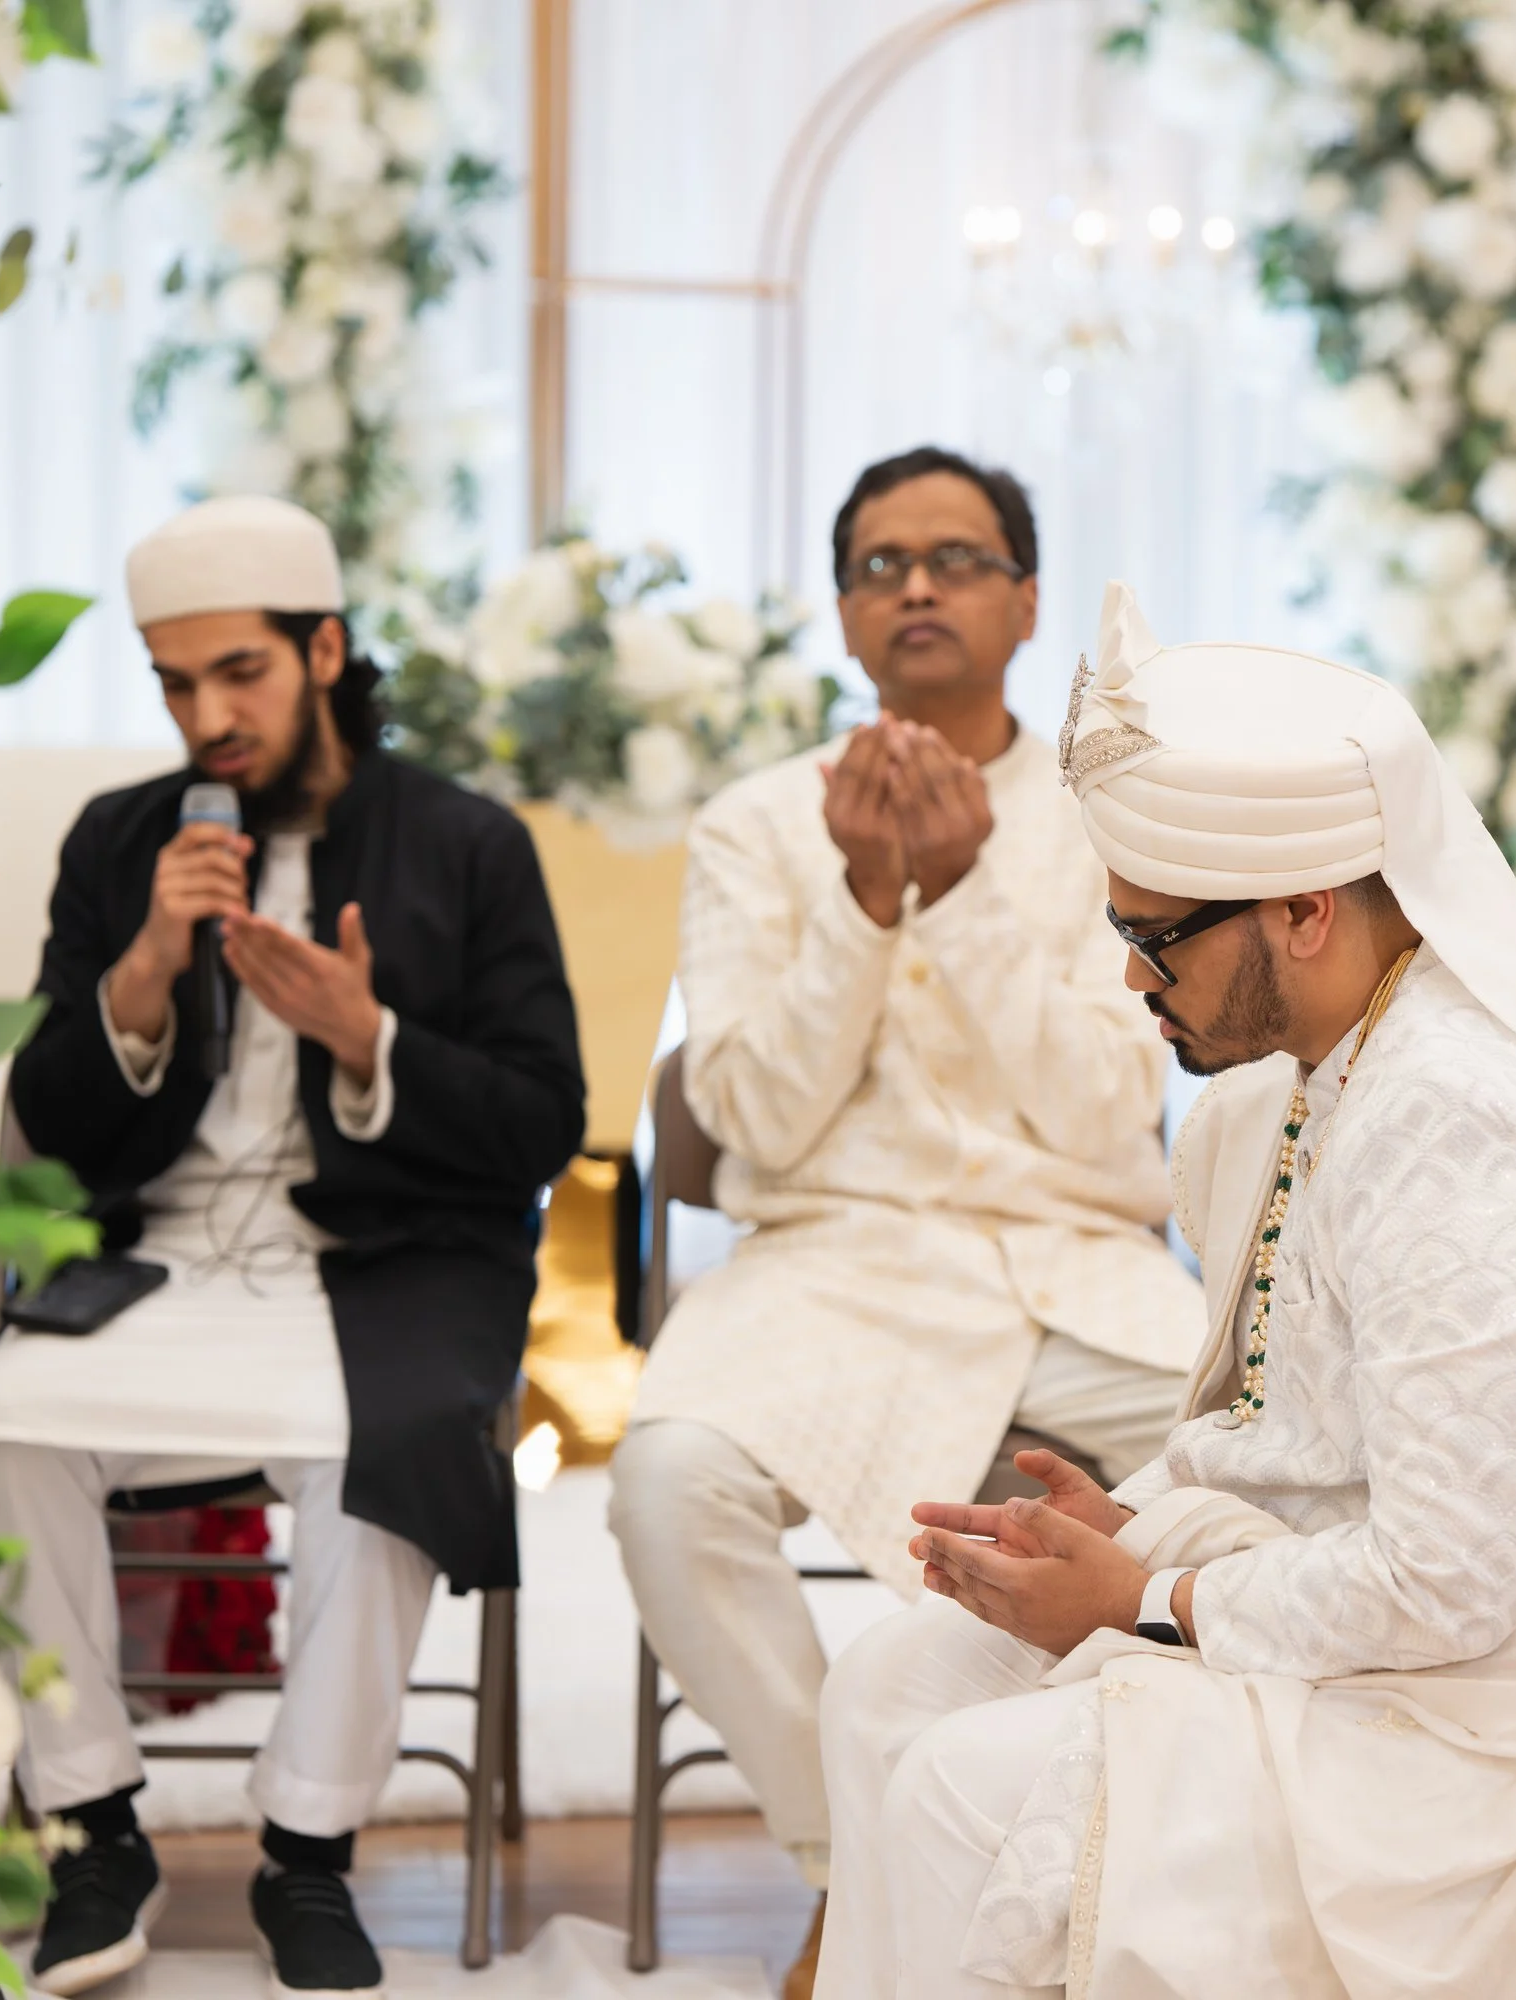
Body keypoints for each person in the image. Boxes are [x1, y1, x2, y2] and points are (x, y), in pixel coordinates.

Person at [812, 584, 1516, 2000]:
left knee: (964, 1787)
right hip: (1359, 1622)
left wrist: (1151, 1593)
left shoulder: (1457, 1123)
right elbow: (1318, 1446)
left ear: (1308, 911)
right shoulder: (1309, 1080)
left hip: (1504, 1711)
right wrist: (1130, 1530)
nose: (1135, 982)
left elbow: (1452, 1582)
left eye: (1159, 942)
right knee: (884, 1688)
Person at [0, 496, 585, 1996]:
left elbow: (542, 1120)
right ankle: (96, 1828)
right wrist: (148, 972)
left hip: (380, 1273)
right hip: (153, 1266)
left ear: (325, 649)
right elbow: (48, 1114)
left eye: (239, 673)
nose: (207, 717)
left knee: (402, 1443)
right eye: (175, 686)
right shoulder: (122, 842)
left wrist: (366, 1039)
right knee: (2, 1434)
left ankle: (308, 1854)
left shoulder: (467, 844)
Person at [609, 451, 1201, 1992]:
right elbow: (750, 1116)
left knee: (1278, 1461)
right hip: (835, 1269)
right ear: (847, 615)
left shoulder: (1113, 814)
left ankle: (1116, 1837)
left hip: (1078, 1268)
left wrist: (970, 885)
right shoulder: (759, 823)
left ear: (1022, 599)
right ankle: (853, 1862)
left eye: (954, 557)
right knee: (668, 1484)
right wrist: (866, 905)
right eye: (882, 565)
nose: (918, 585)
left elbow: (1106, 1111)